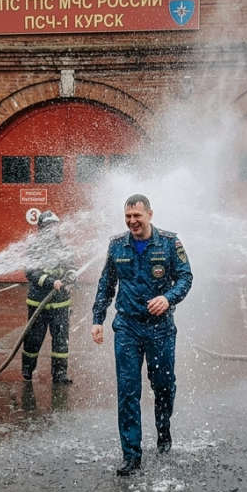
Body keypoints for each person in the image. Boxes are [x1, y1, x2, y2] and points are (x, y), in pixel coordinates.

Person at [92, 194, 194, 476]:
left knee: (163, 385)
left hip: (160, 328)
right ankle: (131, 455)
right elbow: (106, 284)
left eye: (137, 216)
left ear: (150, 214)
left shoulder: (170, 242)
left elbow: (186, 277)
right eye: (128, 216)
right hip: (127, 327)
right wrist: (97, 318)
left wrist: (168, 298)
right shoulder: (116, 245)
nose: (132, 221)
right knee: (128, 391)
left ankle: (163, 428)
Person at [22, 210, 78, 384]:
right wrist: (51, 282)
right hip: (38, 302)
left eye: (55, 226)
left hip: (60, 303)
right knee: (33, 340)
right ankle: (27, 370)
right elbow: (30, 272)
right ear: (42, 228)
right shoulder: (34, 247)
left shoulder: (63, 246)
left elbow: (71, 265)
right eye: (49, 226)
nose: (53, 229)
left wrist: (71, 275)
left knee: (61, 341)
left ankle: (59, 374)